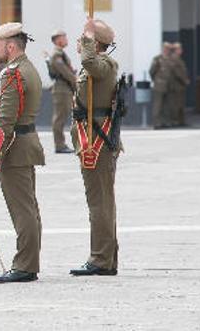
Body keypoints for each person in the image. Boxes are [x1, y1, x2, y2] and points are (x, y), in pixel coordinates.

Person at [0, 22, 45, 284]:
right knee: (28, 208)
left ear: (10, 46)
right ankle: (27, 263)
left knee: (22, 210)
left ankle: (24, 265)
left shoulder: (13, 74)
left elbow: (5, 120)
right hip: (23, 144)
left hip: (15, 148)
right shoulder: (24, 68)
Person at [69, 19, 121, 277]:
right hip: (92, 137)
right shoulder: (98, 64)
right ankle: (106, 258)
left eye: (84, 39)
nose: (79, 43)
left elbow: (90, 63)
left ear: (95, 43)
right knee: (101, 201)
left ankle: (101, 259)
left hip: (97, 141)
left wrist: (89, 38)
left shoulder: (104, 63)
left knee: (99, 202)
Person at [49, 30, 77, 154]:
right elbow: (65, 73)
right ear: (58, 40)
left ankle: (61, 144)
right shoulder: (56, 54)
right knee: (60, 117)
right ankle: (59, 145)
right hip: (62, 89)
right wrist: (77, 82)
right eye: (64, 37)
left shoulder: (60, 53)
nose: (66, 40)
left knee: (62, 116)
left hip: (65, 88)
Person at [149, 43, 174, 129]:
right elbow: (152, 71)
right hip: (159, 85)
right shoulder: (157, 59)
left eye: (169, 49)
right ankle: (157, 123)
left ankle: (165, 122)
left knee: (167, 105)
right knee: (158, 105)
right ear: (163, 49)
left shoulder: (170, 59)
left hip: (168, 85)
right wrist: (156, 80)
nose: (167, 51)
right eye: (166, 49)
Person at [168, 42, 189, 127]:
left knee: (181, 104)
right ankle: (175, 121)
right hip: (176, 85)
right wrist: (185, 80)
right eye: (180, 49)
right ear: (176, 50)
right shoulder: (174, 59)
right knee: (175, 104)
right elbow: (177, 73)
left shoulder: (178, 59)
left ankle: (181, 121)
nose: (181, 51)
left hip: (180, 86)